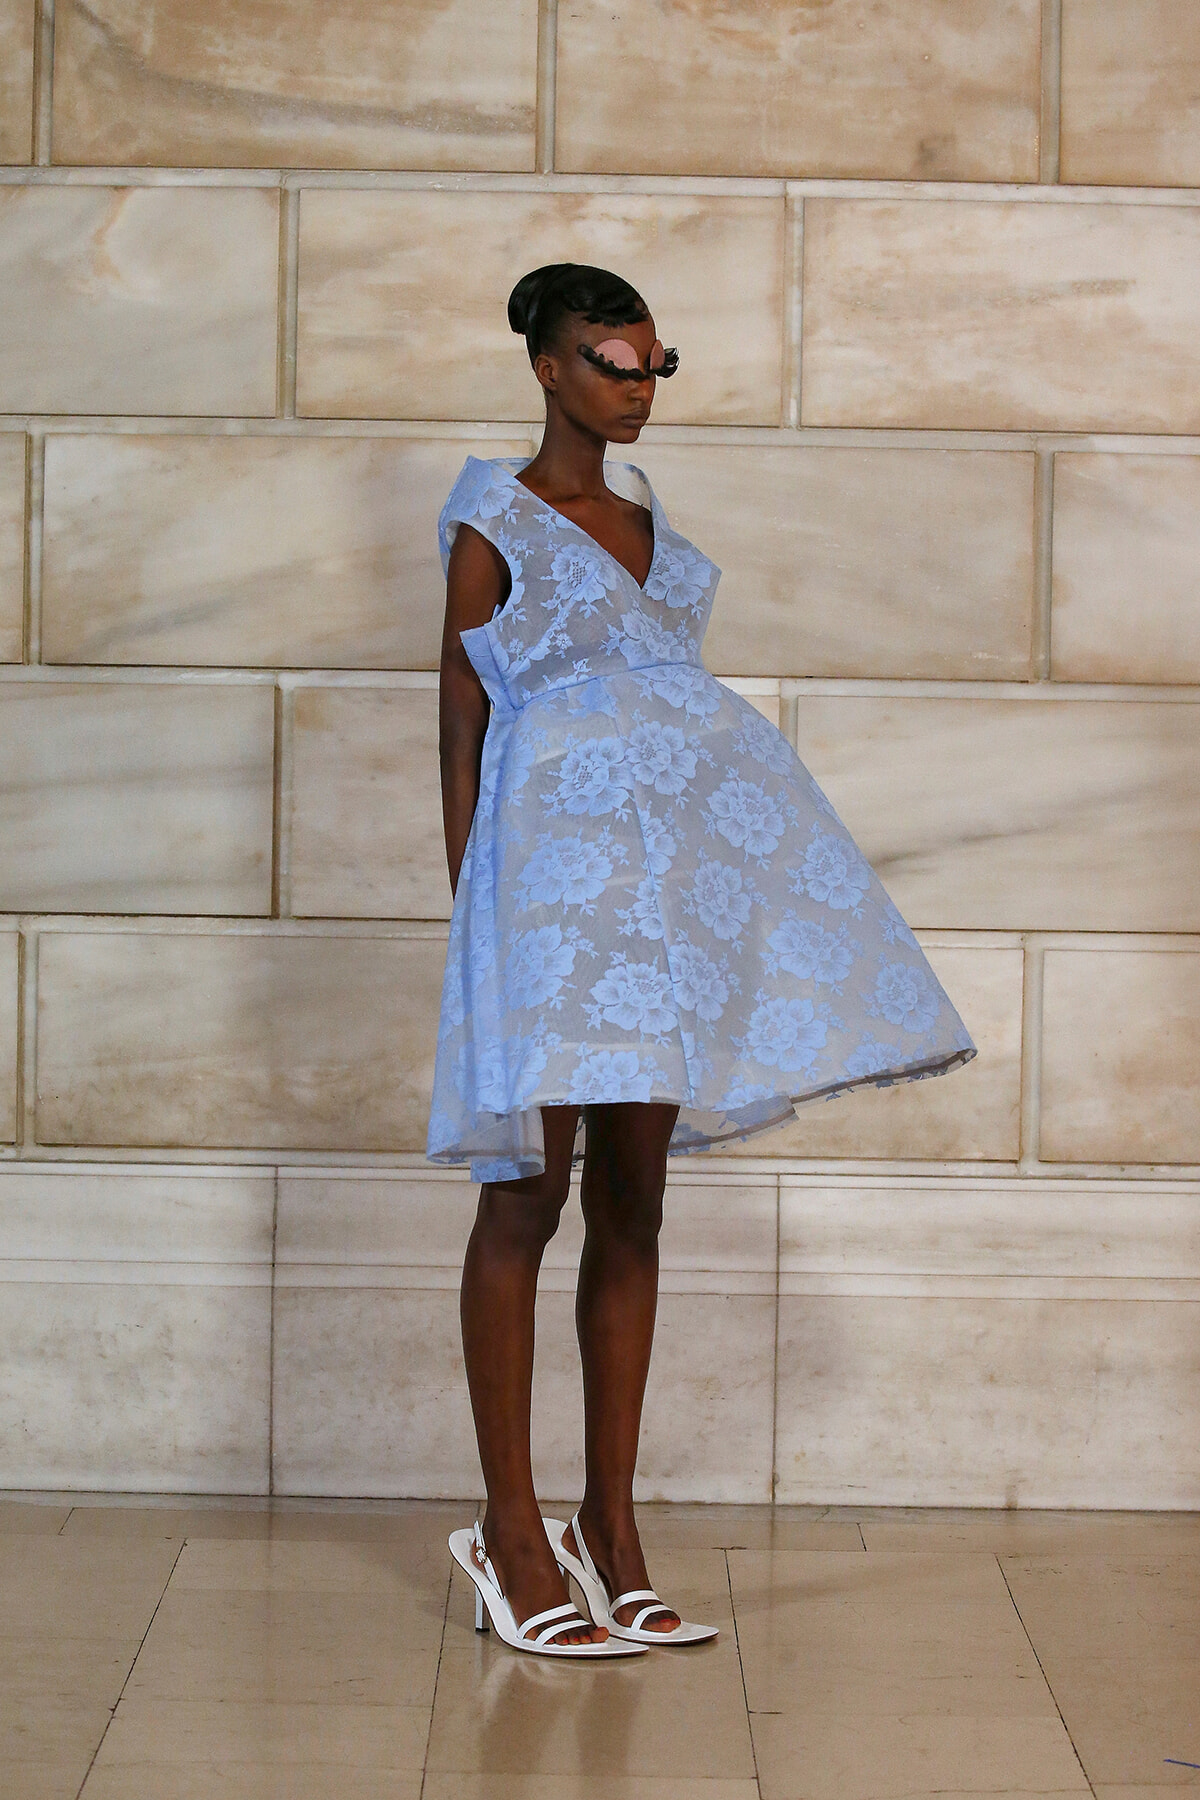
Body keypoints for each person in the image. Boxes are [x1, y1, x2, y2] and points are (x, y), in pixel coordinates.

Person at [432, 263, 975, 1657]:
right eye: (614, 363)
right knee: (524, 1194)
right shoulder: (494, 518)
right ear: (548, 368)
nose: (638, 387)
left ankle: (611, 1526)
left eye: (656, 365)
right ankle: (509, 1529)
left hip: (663, 911)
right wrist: (476, 920)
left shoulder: (649, 523)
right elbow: (463, 725)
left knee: (634, 1199)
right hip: (548, 905)